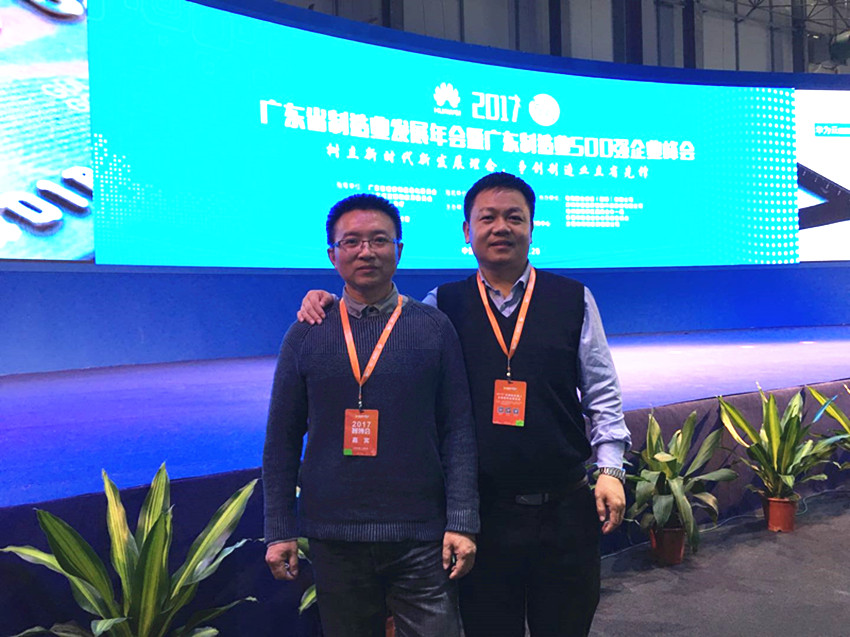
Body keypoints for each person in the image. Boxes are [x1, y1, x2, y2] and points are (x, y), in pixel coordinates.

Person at [298, 173, 631, 637]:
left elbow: (602, 392)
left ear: (532, 227)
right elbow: (379, 318)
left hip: (565, 507)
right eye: (487, 218)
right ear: (467, 231)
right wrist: (329, 302)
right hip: (483, 515)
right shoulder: (442, 305)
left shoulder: (573, 298)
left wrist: (611, 468)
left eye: (514, 217)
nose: (501, 227)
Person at [263, 193, 479, 637]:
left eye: (379, 240)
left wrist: (462, 521)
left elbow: (458, 430)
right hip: (335, 535)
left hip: (420, 534)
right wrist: (280, 529)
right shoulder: (306, 333)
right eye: (352, 242)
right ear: (333, 254)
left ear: (399, 250)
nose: (366, 251)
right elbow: (281, 439)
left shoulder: (433, 327)